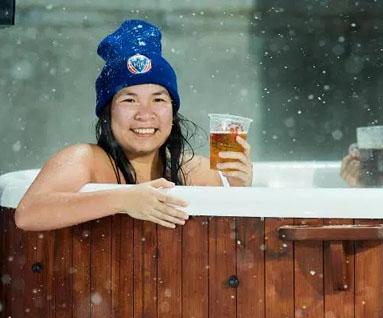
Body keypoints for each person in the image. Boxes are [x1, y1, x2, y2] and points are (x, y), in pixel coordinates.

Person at [15, 19, 251, 231]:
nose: (145, 114)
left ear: (172, 110)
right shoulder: (85, 160)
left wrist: (239, 185)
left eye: (158, 99)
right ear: (107, 112)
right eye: (129, 100)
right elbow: (28, 213)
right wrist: (123, 200)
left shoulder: (192, 169)